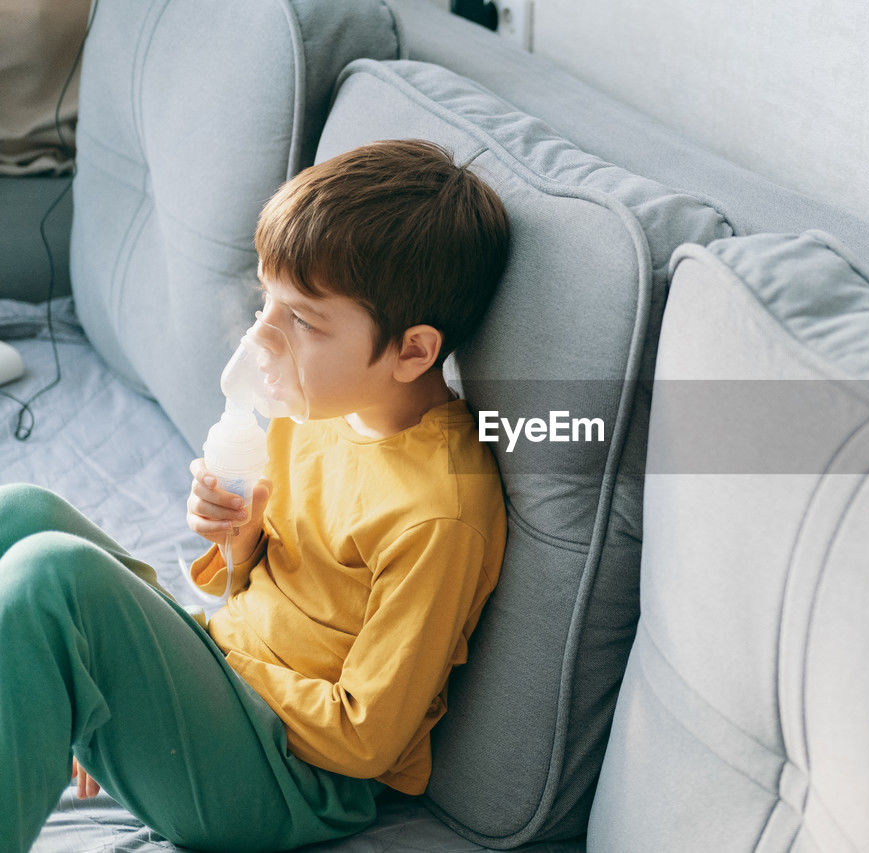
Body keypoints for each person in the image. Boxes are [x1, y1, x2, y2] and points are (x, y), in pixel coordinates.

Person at [0, 138, 511, 852]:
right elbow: (268, 599)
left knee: (52, 575)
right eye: (267, 300)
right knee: (20, 511)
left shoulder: (438, 511)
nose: (262, 334)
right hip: (233, 696)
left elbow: (364, 736)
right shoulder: (318, 413)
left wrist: (189, 660)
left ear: (414, 351)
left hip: (289, 778)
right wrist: (241, 545)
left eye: (302, 319)